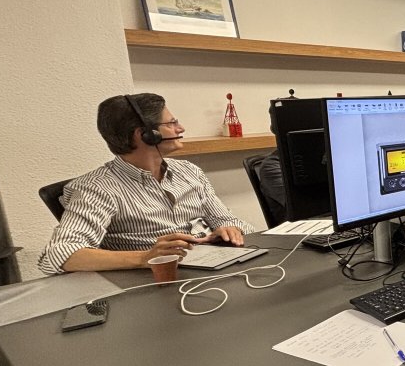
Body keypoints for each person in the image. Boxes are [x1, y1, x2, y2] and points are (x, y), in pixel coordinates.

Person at [38, 94, 253, 275]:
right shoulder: (97, 189)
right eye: (171, 123)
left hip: (213, 268)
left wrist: (228, 230)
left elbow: (227, 220)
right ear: (146, 135)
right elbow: (59, 254)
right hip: (157, 283)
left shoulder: (189, 171)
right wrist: (145, 257)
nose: (181, 128)